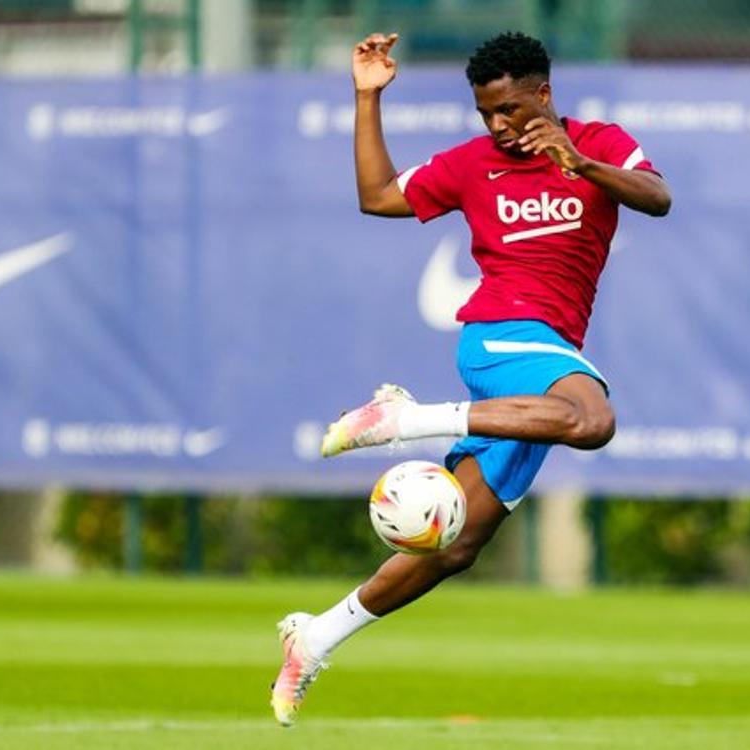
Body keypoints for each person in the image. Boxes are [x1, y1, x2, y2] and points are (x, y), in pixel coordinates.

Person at [271, 30, 671, 726]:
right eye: (487, 113)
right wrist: (367, 100)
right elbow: (377, 196)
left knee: (456, 543)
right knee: (593, 420)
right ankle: (404, 420)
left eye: (512, 110)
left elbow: (658, 197)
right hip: (500, 339)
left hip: (541, 366)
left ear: (544, 95)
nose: (500, 127)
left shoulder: (600, 142)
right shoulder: (473, 164)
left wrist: (579, 164)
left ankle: (315, 636)